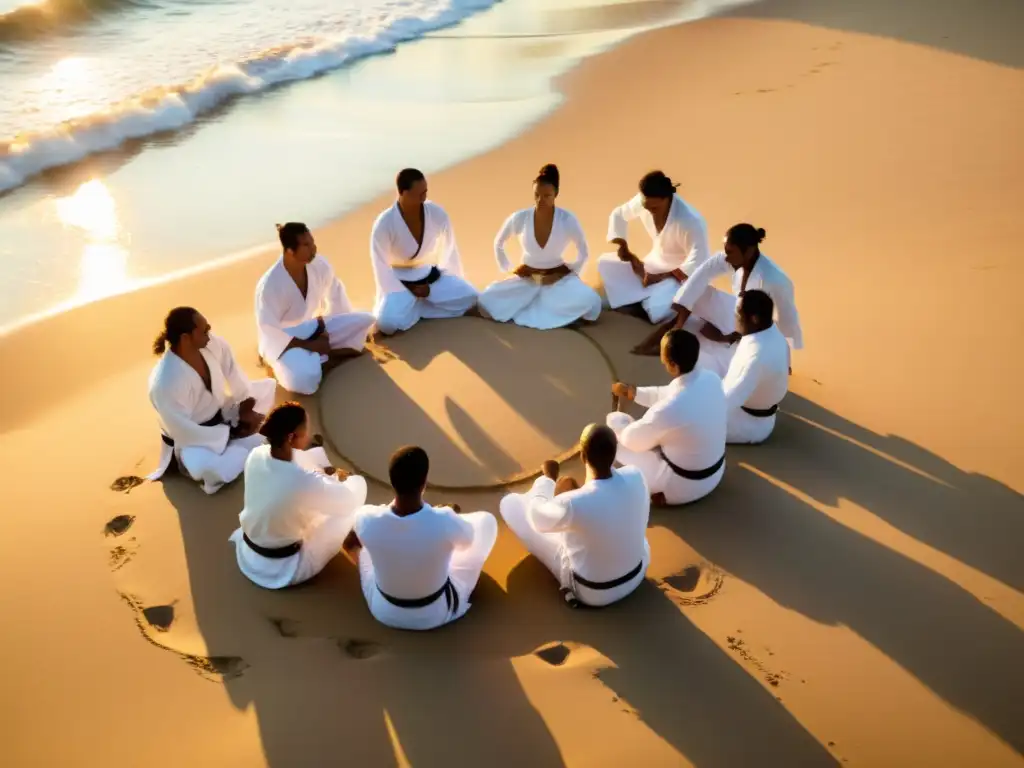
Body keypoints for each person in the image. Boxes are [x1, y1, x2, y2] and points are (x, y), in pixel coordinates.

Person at [347, 445, 498, 631]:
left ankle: (358, 552)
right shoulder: (444, 519)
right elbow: (467, 543)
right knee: (486, 521)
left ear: (392, 481)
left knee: (366, 553)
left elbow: (366, 518)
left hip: (383, 611)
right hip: (436, 614)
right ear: (425, 481)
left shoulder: (366, 518)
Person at [499, 425, 650, 608]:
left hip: (593, 593)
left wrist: (547, 479)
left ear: (583, 456)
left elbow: (536, 517)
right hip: (636, 574)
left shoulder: (572, 504)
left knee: (510, 504)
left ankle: (554, 505)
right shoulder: (636, 474)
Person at [229, 403, 369, 589]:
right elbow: (350, 499)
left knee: (312, 489)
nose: (309, 436)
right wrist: (352, 479)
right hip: (284, 568)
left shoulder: (256, 454)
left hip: (249, 553)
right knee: (352, 507)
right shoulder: (302, 481)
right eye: (305, 433)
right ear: (291, 437)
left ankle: (326, 472)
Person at [632, 224, 803, 367]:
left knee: (721, 365)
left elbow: (786, 322)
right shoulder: (732, 259)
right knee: (695, 290)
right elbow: (702, 274)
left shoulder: (776, 280)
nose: (726, 257)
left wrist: (784, 361)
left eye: (730, 252)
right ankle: (674, 332)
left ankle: (717, 346)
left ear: (749, 251)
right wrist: (680, 315)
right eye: (725, 251)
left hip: (757, 331)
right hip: (737, 313)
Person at [147, 307, 276, 495]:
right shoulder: (165, 381)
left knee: (267, 388)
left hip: (222, 414)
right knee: (212, 469)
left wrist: (245, 407)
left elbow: (233, 371)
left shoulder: (211, 344)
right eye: (204, 331)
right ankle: (244, 445)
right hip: (193, 440)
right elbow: (182, 431)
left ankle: (245, 443)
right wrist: (229, 432)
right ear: (185, 338)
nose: (210, 334)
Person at [607, 329, 726, 506]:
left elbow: (632, 441)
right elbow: (669, 393)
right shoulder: (711, 378)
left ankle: (663, 492)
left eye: (663, 358)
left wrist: (620, 428)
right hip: (715, 474)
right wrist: (635, 393)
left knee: (614, 424)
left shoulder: (667, 410)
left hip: (684, 485)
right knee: (657, 432)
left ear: (673, 365)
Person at [255, 222, 377, 395]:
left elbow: (335, 296)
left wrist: (326, 332)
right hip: (284, 342)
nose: (314, 248)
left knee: (366, 320)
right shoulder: (270, 286)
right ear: (289, 251)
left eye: (312, 242)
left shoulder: (319, 265)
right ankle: (320, 359)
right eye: (306, 245)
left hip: (311, 328)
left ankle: (321, 358)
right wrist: (310, 345)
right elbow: (269, 330)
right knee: (303, 380)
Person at [478, 164, 602, 329]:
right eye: (536, 195)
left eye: (546, 196)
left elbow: (583, 251)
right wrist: (510, 270)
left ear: (556, 194)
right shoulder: (520, 218)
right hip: (528, 278)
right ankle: (555, 313)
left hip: (556, 279)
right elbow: (499, 243)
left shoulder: (567, 219)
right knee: (487, 299)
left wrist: (568, 272)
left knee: (591, 301)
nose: (540, 200)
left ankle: (547, 308)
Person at [598, 170, 718, 325]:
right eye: (646, 208)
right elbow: (619, 214)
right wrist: (624, 246)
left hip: (678, 277)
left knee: (661, 304)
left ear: (667, 199)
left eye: (654, 209)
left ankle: (636, 306)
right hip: (651, 265)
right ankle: (630, 301)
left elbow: (699, 263)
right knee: (608, 264)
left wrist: (662, 277)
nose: (650, 213)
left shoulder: (691, 221)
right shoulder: (644, 202)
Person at [369, 168, 478, 336]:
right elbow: (380, 266)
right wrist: (404, 291)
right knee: (387, 324)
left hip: (430, 279)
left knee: (471, 297)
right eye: (419, 194)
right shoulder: (384, 223)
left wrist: (445, 281)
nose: (424, 197)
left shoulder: (435, 213)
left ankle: (422, 305)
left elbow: (449, 250)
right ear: (402, 193)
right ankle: (423, 305)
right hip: (401, 284)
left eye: (425, 192)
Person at [721, 290, 790, 444]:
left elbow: (728, 402)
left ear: (754, 319)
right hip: (757, 414)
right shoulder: (773, 332)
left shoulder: (755, 358)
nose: (734, 318)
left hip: (746, 425)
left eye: (738, 314)